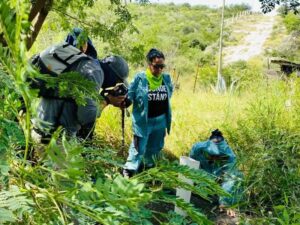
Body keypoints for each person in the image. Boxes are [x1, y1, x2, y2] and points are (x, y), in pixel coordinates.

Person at [31, 28, 129, 143]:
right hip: (56, 139)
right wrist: (107, 100)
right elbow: (87, 116)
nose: (113, 86)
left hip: (40, 130)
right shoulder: (95, 72)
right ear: (112, 74)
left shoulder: (84, 64)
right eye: (116, 81)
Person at [123, 48, 173, 177]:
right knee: (138, 147)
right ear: (149, 64)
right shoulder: (140, 78)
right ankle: (130, 169)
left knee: (155, 147)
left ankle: (148, 168)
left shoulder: (166, 79)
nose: (160, 70)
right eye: (157, 66)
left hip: (161, 120)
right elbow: (131, 94)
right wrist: (127, 101)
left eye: (162, 66)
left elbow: (169, 94)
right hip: (143, 121)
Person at [189, 129, 243, 218]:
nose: (213, 159)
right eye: (211, 155)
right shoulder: (198, 149)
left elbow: (230, 180)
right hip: (202, 176)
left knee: (237, 178)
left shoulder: (230, 158)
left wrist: (226, 202)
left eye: (217, 156)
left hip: (219, 180)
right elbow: (190, 165)